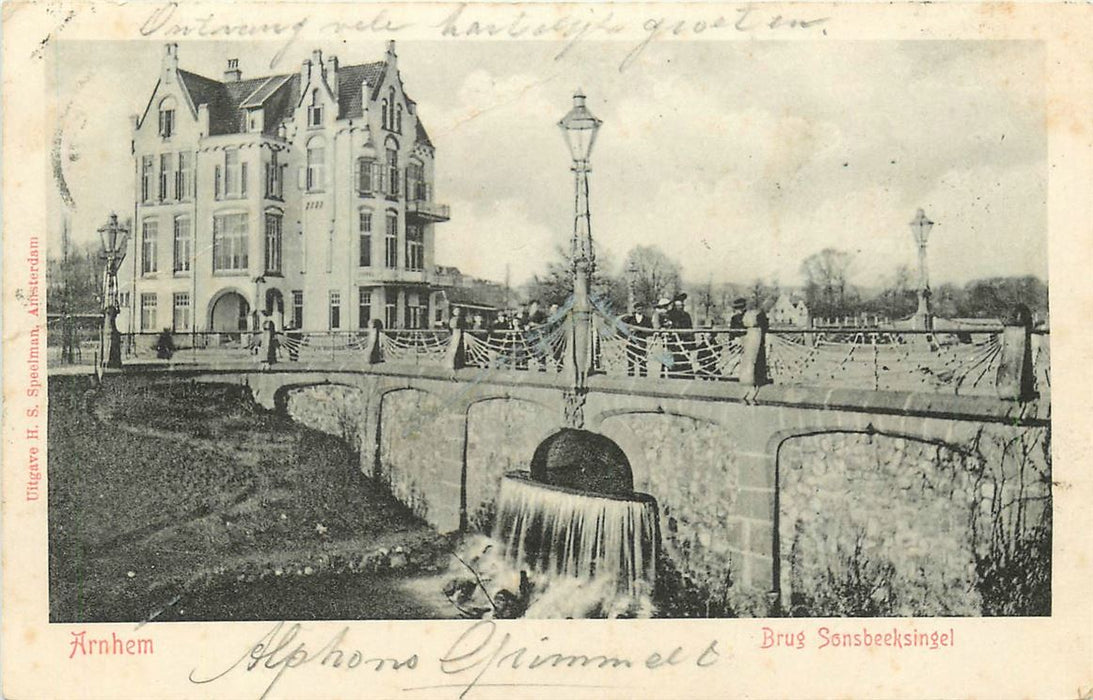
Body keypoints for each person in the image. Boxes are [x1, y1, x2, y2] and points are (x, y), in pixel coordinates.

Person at [663, 293, 694, 378]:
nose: (681, 307)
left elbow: (690, 328)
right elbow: (666, 327)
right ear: (675, 305)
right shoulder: (669, 314)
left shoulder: (686, 315)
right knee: (672, 361)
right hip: (673, 343)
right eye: (679, 305)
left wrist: (691, 342)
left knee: (684, 361)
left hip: (684, 342)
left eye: (682, 305)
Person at [620, 302, 653, 377]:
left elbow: (650, 330)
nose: (639, 310)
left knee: (642, 361)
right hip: (631, 342)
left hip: (642, 342)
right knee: (631, 361)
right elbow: (622, 329)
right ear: (635, 309)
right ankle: (630, 377)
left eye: (641, 309)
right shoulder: (629, 319)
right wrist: (628, 332)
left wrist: (642, 331)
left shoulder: (647, 319)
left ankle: (643, 377)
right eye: (638, 309)